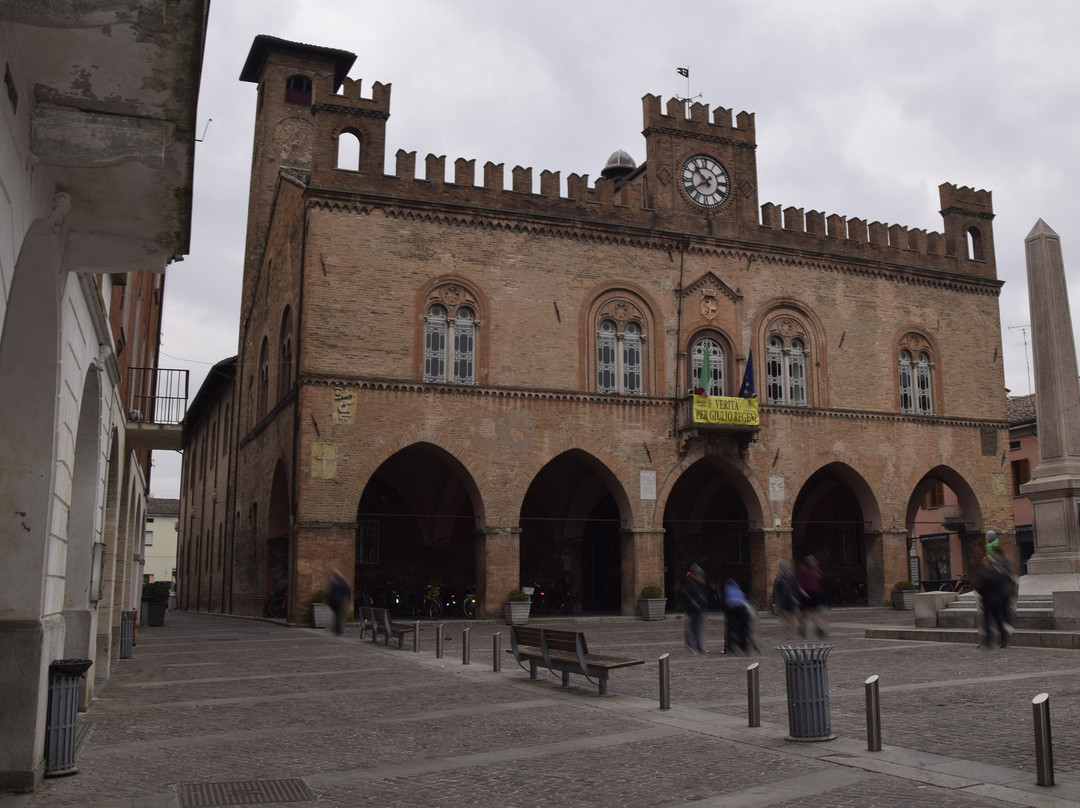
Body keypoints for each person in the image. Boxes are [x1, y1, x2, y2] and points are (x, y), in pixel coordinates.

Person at [974, 552, 1010, 649]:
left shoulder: (984, 575)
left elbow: (980, 589)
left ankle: (989, 641)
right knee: (999, 621)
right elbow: (1004, 587)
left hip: (987, 601)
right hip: (998, 600)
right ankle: (1003, 641)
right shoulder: (1000, 574)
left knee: (987, 622)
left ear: (987, 563)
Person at [722, 579, 758, 655]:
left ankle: (730, 648)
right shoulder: (738, 589)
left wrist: (727, 616)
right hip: (743, 608)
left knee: (730, 628)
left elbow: (724, 603)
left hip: (732, 607)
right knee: (744, 628)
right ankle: (744, 647)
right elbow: (745, 600)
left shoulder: (727, 589)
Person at [681, 563, 709, 654]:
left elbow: (700, 595)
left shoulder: (697, 583)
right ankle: (690, 646)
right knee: (691, 628)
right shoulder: (689, 581)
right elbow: (685, 594)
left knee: (697, 629)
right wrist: (693, 601)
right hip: (691, 610)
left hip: (698, 610)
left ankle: (698, 645)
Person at [796, 555, 826, 638]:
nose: (812, 562)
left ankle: (818, 629)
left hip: (814, 593)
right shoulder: (803, 570)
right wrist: (802, 591)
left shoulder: (816, 570)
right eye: (810, 561)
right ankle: (802, 628)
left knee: (815, 611)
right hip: (805, 593)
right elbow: (799, 582)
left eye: (813, 561)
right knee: (804, 613)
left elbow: (819, 580)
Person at [771, 559, 800, 638]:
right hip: (782, 600)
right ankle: (788, 632)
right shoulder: (779, 579)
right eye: (782, 567)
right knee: (786, 617)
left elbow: (795, 588)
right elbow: (775, 590)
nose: (784, 569)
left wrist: (796, 598)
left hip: (791, 600)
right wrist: (774, 601)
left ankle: (789, 629)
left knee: (792, 618)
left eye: (785, 567)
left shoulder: (791, 577)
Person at [327, 569, 352, 636]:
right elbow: (348, 590)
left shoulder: (335, 582)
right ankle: (338, 630)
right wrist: (347, 600)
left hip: (335, 601)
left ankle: (337, 629)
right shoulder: (342, 582)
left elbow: (331, 592)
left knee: (336, 615)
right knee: (337, 615)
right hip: (339, 601)